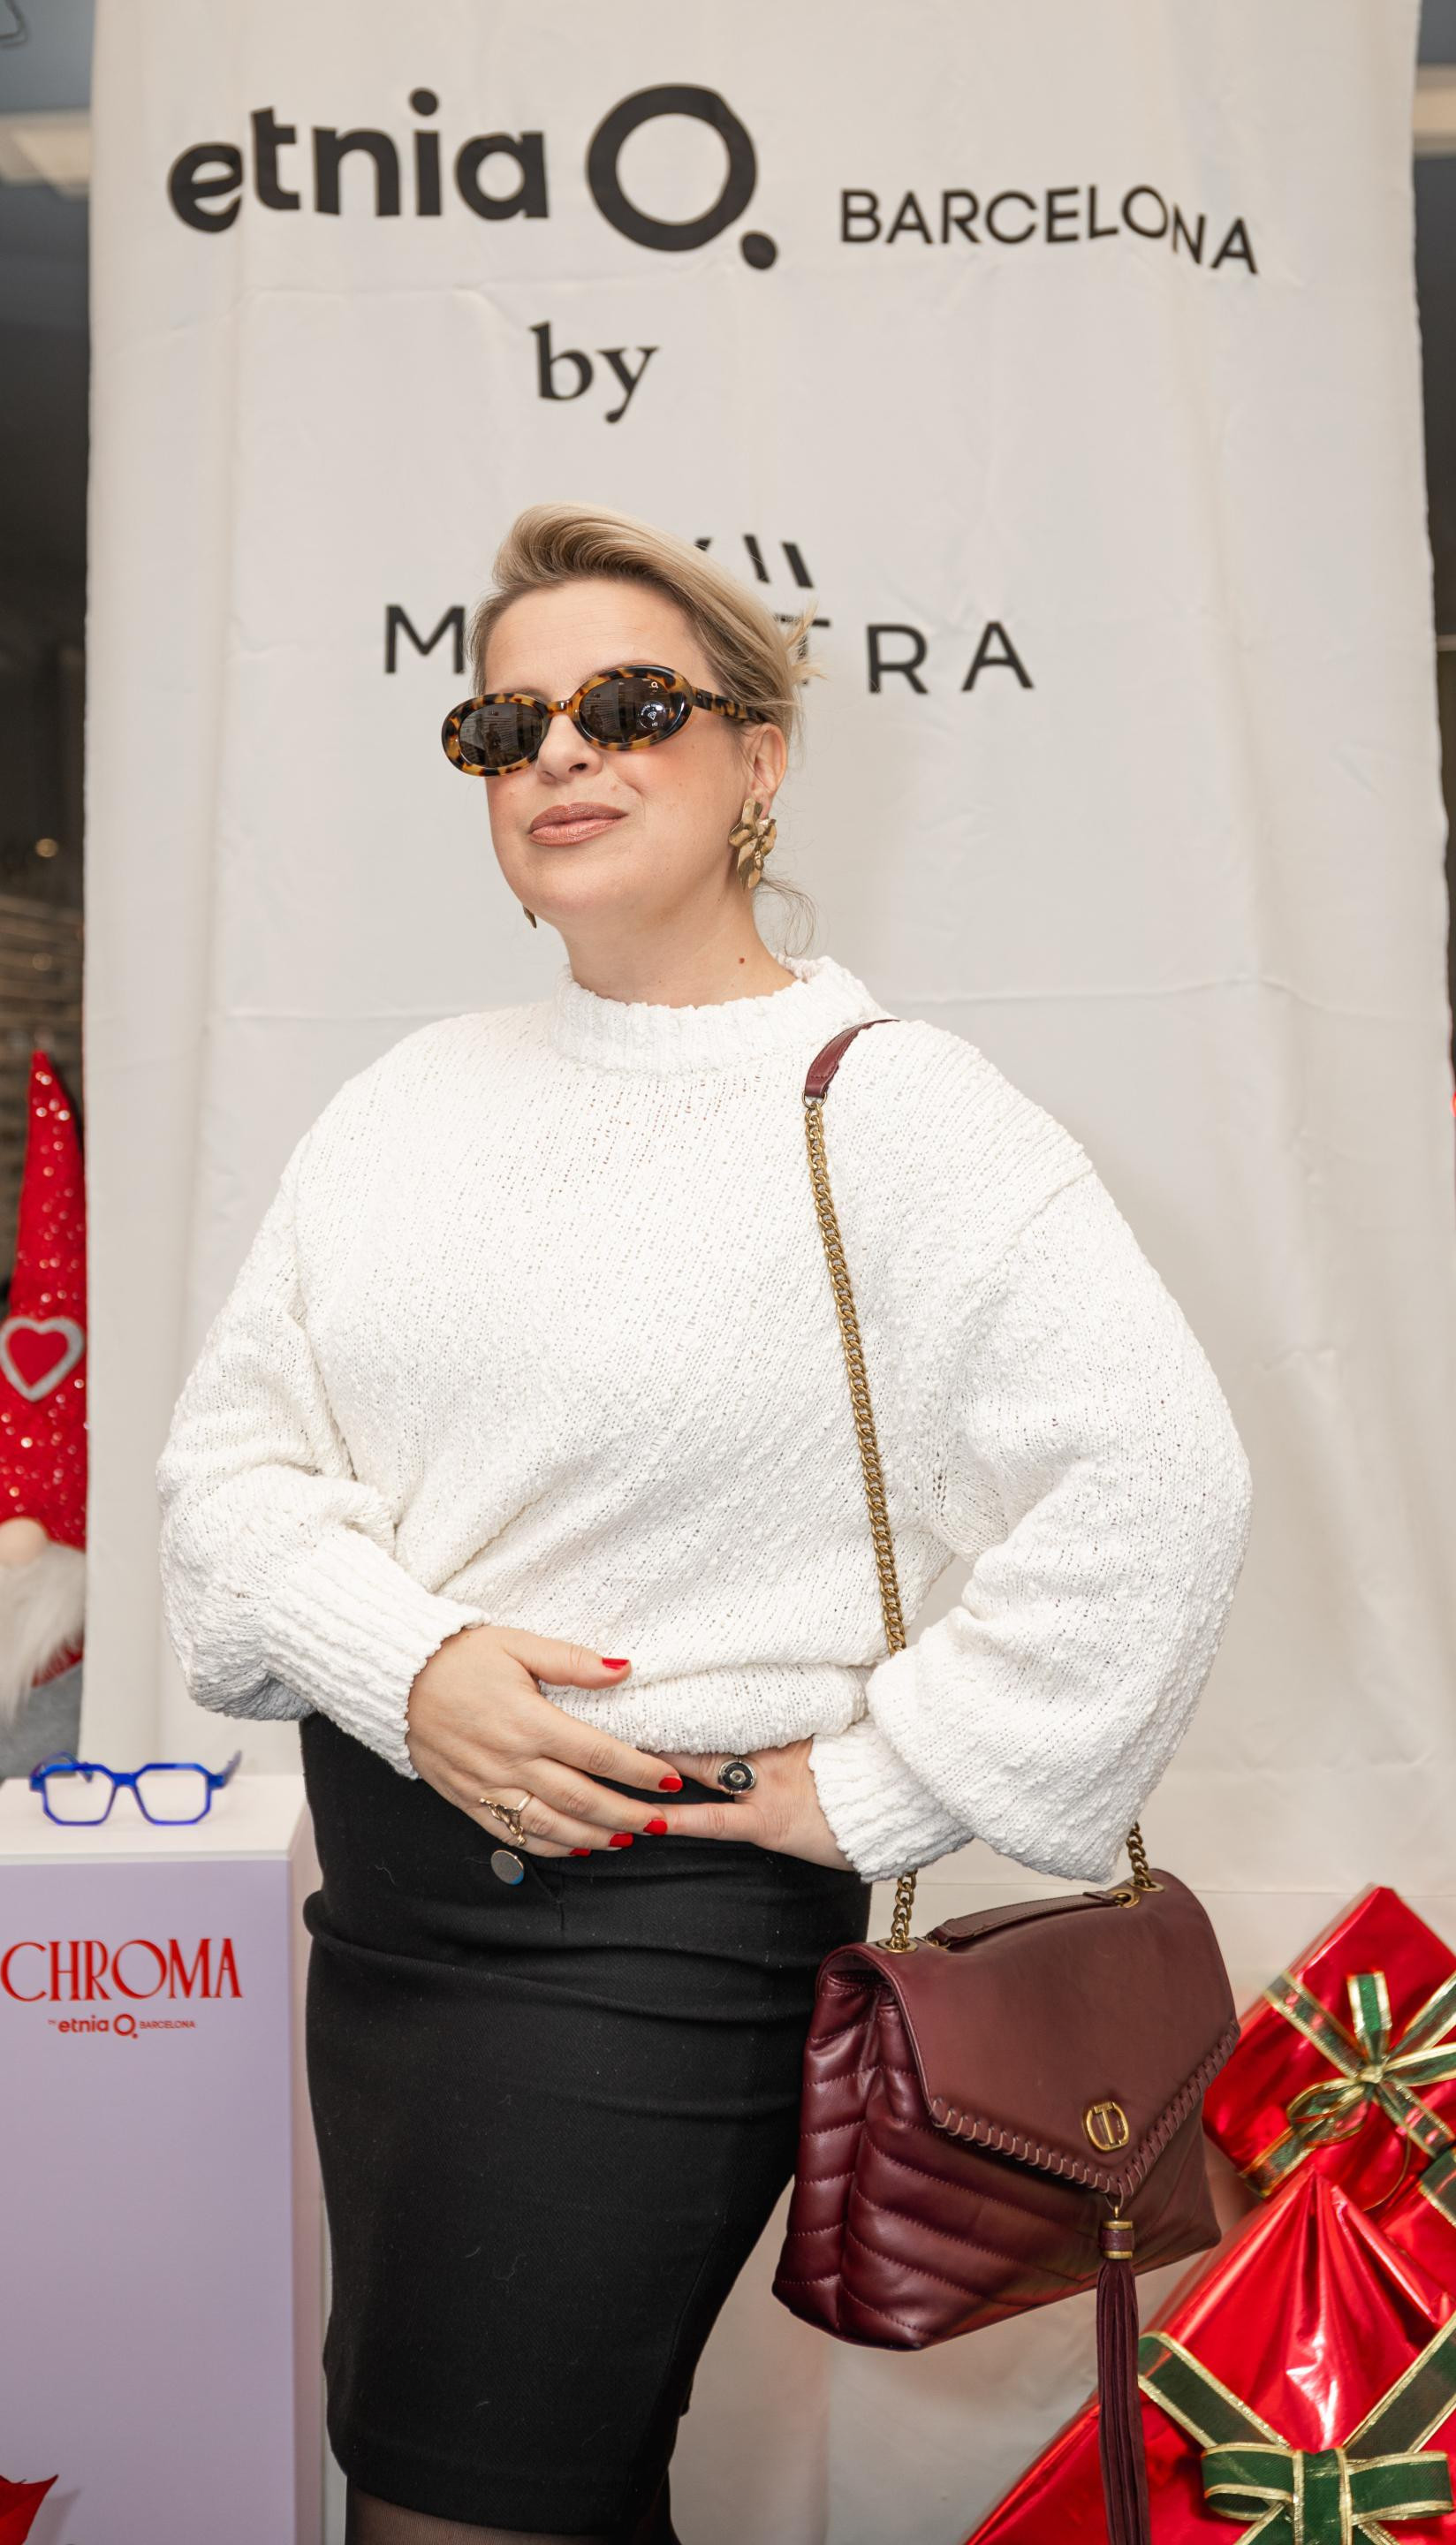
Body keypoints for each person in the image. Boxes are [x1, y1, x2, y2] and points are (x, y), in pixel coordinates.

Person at [155, 501, 1254, 2545]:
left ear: (759, 753)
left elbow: (1158, 1480)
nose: (560, 753)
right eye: (507, 725)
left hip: (649, 1939)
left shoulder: (891, 1107)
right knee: (504, 2486)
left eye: (629, 706)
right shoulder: (407, 1100)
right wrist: (412, 1665)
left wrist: (877, 1786)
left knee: (455, 2513)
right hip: (386, 1927)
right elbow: (228, 1473)